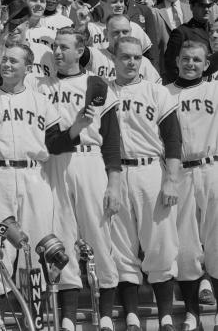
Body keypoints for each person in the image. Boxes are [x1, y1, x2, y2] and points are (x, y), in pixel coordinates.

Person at [37, 28, 121, 331]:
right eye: (54, 47)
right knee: (62, 236)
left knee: (99, 236)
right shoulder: (41, 86)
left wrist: (114, 181)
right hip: (55, 162)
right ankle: (69, 317)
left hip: (89, 159)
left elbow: (112, 138)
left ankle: (108, 315)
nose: (57, 52)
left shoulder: (95, 83)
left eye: (64, 47)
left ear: (80, 50)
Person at [0, 42, 61, 300]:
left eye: (14, 61)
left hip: (34, 174)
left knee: (35, 244)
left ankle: (35, 315)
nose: (7, 65)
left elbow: (56, 142)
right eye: (5, 60)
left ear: (28, 67)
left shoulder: (41, 102)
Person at [109, 36, 181, 331]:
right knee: (121, 247)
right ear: (113, 58)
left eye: (137, 57)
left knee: (161, 245)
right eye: (125, 56)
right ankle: (131, 315)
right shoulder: (104, 92)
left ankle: (165, 315)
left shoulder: (157, 92)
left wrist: (172, 180)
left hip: (151, 170)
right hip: (115, 173)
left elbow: (173, 138)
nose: (131, 62)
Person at [165, 41, 218, 331]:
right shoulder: (163, 93)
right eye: (185, 58)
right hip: (179, 172)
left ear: (206, 64)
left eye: (197, 60)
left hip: (212, 167)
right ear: (176, 60)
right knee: (185, 248)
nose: (190, 64)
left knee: (217, 244)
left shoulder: (214, 88)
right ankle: (192, 313)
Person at [164, 0, 214, 83]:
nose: (207, 9)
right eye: (202, 5)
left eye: (209, 5)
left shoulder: (214, 30)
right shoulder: (181, 32)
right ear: (192, 7)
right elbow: (171, 66)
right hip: (193, 88)